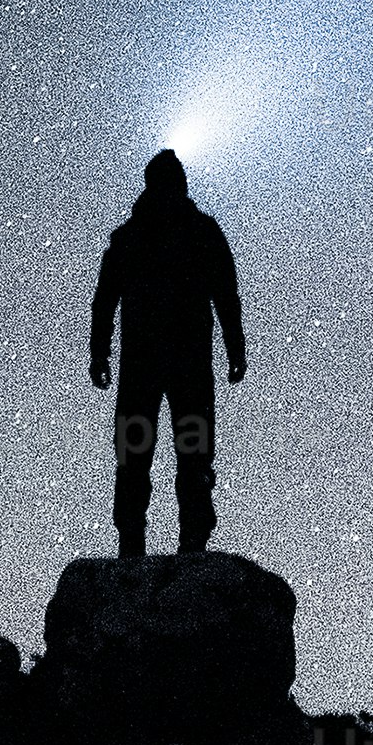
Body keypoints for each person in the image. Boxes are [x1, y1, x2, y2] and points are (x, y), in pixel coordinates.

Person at [85, 148, 247, 557]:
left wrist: (99, 352)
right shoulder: (198, 232)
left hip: (150, 365)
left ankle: (145, 541)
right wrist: (235, 347)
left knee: (145, 452)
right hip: (181, 365)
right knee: (174, 451)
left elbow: (105, 300)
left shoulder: (132, 238)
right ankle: (172, 540)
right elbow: (225, 294)